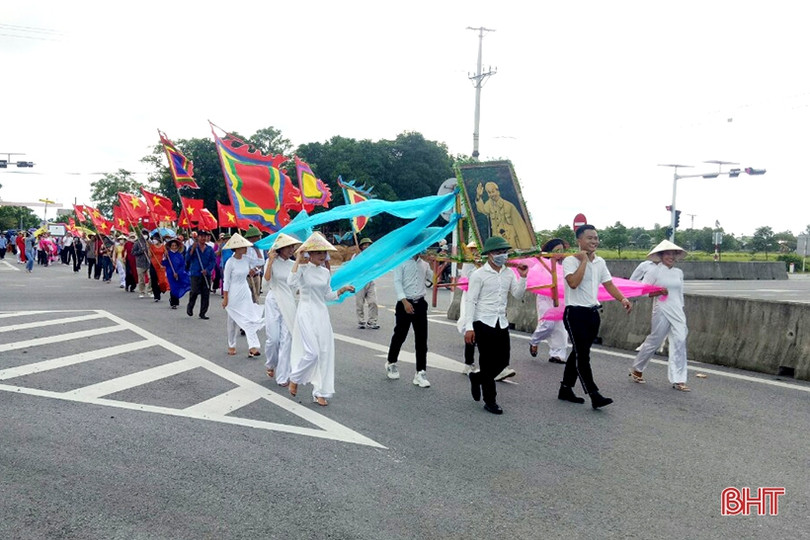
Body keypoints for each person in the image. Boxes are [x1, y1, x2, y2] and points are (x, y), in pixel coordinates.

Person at [559, 225, 632, 409]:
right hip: (575, 313)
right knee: (582, 355)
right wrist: (584, 260)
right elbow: (573, 283)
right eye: (590, 238)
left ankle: (565, 388)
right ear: (579, 240)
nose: (594, 241)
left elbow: (608, 284)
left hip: (592, 313)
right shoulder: (570, 261)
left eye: (596, 238)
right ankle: (594, 394)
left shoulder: (600, 262)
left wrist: (622, 299)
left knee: (579, 352)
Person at [463, 236, 529, 414]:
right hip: (483, 321)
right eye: (499, 252)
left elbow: (517, 294)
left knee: (503, 362)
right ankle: (490, 400)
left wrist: (523, 277)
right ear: (490, 254)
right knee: (487, 362)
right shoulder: (479, 275)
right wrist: (469, 327)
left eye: (505, 252)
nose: (502, 255)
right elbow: (471, 301)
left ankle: (477, 378)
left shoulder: (509, 273)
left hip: (501, 321)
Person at [287, 232, 354, 406]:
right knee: (313, 352)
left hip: (321, 314)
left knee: (324, 353)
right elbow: (291, 283)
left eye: (324, 252)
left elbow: (328, 295)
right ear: (309, 253)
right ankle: (295, 378)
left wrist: (342, 290)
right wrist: (297, 259)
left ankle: (320, 392)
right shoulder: (302, 269)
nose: (322, 255)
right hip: (305, 312)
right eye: (318, 252)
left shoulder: (325, 272)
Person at [630, 240, 690, 391]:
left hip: (677, 310)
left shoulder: (679, 273)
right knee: (655, 341)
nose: (671, 257)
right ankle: (637, 368)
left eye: (673, 254)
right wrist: (658, 292)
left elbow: (680, 294)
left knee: (680, 341)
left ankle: (679, 379)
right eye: (667, 254)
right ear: (661, 256)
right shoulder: (654, 271)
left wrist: (681, 309)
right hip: (662, 309)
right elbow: (642, 292)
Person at [385, 250, 434, 388]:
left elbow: (433, 281)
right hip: (404, 303)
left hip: (420, 303)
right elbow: (397, 282)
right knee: (400, 335)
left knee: (422, 339)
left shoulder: (424, 264)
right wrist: (405, 302)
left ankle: (420, 372)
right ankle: (391, 362)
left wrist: (433, 265)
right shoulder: (401, 262)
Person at [263, 233, 300, 386]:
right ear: (281, 248)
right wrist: (271, 261)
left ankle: (283, 376)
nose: (292, 249)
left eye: (293, 247)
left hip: (289, 302)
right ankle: (270, 363)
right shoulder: (270, 261)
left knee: (287, 339)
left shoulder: (293, 264)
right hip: (273, 300)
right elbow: (266, 281)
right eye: (288, 247)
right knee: (273, 339)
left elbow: (297, 284)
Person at [221, 233, 265, 357]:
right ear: (236, 248)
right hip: (233, 292)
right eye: (243, 246)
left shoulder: (246, 259)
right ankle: (231, 344)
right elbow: (226, 281)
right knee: (232, 320)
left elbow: (261, 261)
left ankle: (253, 346)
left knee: (249, 317)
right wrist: (225, 298)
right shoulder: (230, 262)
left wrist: (257, 248)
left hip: (245, 291)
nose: (246, 248)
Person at [529, 238, 569, 364]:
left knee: (560, 327)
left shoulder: (565, 265)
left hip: (561, 298)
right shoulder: (541, 264)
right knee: (548, 324)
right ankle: (534, 340)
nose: (559, 253)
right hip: (545, 297)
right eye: (556, 250)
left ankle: (557, 354)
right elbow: (533, 279)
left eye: (561, 250)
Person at [474, 181, 534, 250]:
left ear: (498, 191)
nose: (492, 194)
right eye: (489, 193)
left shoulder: (509, 206)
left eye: (493, 191)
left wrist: (526, 248)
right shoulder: (488, 205)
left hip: (511, 242)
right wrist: (478, 196)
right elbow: (482, 210)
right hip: (497, 243)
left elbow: (520, 227)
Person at [456, 240, 482, 375]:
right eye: (473, 250)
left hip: (484, 301)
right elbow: (466, 281)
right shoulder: (469, 265)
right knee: (470, 328)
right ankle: (468, 363)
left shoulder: (486, 264)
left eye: (477, 250)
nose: (475, 252)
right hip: (470, 299)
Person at [186, 230, 216, 319]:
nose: (203, 238)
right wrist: (192, 249)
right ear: (198, 237)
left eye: (205, 236)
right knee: (194, 291)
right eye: (201, 236)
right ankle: (190, 306)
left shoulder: (209, 249)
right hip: (195, 273)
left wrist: (207, 270)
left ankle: (203, 313)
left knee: (205, 294)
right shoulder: (193, 247)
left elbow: (213, 261)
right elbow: (187, 259)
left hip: (206, 274)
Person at [354, 237, 379, 329]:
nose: (367, 246)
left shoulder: (373, 256)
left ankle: (372, 321)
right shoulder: (356, 256)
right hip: (359, 282)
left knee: (373, 302)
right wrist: (357, 259)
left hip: (370, 281)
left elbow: (376, 267)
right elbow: (352, 268)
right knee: (359, 303)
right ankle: (361, 321)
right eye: (365, 245)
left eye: (368, 245)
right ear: (361, 246)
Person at [162, 238, 191, 309]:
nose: (174, 247)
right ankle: (173, 302)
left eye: (175, 245)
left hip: (179, 273)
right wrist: (165, 258)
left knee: (177, 286)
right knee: (173, 287)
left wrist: (178, 273)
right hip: (170, 273)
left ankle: (175, 301)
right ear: (170, 246)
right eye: (172, 246)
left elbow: (182, 265)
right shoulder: (168, 255)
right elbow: (164, 263)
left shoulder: (179, 255)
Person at [244, 226, 265, 303]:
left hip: (256, 275)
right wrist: (248, 270)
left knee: (256, 297)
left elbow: (262, 261)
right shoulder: (243, 248)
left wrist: (255, 269)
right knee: (247, 297)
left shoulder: (259, 247)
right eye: (258, 236)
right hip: (246, 276)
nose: (259, 238)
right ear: (252, 237)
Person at [147, 233, 169, 302]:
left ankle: (160, 290)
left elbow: (166, 256)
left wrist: (166, 253)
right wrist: (148, 249)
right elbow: (150, 255)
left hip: (161, 265)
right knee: (154, 280)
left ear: (159, 239)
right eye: (153, 239)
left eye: (155, 239)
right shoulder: (152, 246)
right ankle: (156, 296)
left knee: (162, 281)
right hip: (153, 265)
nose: (154, 240)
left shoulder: (163, 246)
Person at [131, 229, 152, 297]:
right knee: (141, 279)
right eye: (144, 234)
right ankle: (142, 292)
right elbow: (133, 252)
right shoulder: (137, 243)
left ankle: (150, 290)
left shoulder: (150, 243)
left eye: (146, 234)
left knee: (151, 277)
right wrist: (140, 251)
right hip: (140, 263)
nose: (145, 235)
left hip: (149, 263)